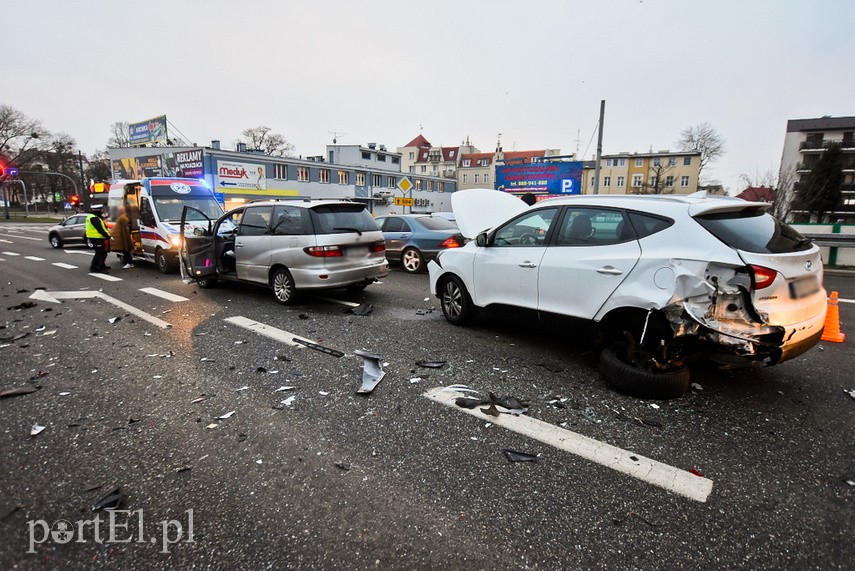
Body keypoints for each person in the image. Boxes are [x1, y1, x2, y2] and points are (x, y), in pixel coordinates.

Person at [85, 206, 112, 273]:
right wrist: (107, 236)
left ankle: (101, 265)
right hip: (96, 238)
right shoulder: (94, 218)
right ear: (98, 210)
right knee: (99, 253)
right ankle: (95, 268)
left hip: (97, 237)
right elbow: (99, 229)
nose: (102, 211)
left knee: (103, 253)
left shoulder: (93, 217)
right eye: (101, 210)